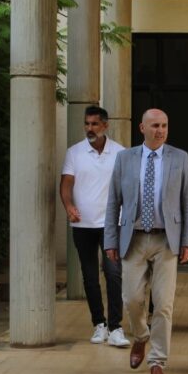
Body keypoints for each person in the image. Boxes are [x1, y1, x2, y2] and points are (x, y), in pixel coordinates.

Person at [104, 108, 188, 374]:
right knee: (131, 299)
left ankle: (157, 361)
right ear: (142, 128)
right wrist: (110, 239)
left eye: (165, 125)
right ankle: (141, 337)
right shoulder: (125, 158)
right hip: (132, 238)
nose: (161, 130)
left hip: (166, 239)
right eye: (155, 125)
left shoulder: (180, 158)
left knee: (164, 304)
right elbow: (113, 202)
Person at [60, 106, 128, 347]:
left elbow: (127, 189)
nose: (89, 128)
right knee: (90, 277)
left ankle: (116, 327)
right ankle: (99, 324)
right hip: (83, 225)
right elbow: (66, 184)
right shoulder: (74, 153)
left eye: (94, 124)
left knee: (114, 274)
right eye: (87, 124)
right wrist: (69, 206)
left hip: (112, 225)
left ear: (105, 126)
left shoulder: (120, 153)